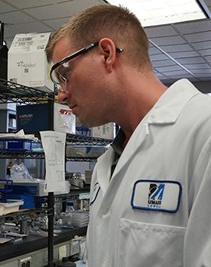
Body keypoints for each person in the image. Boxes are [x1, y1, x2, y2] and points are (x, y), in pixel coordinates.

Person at [45, 4, 211, 267]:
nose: (61, 95)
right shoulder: (107, 163)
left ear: (107, 54)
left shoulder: (204, 131)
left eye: (64, 74)